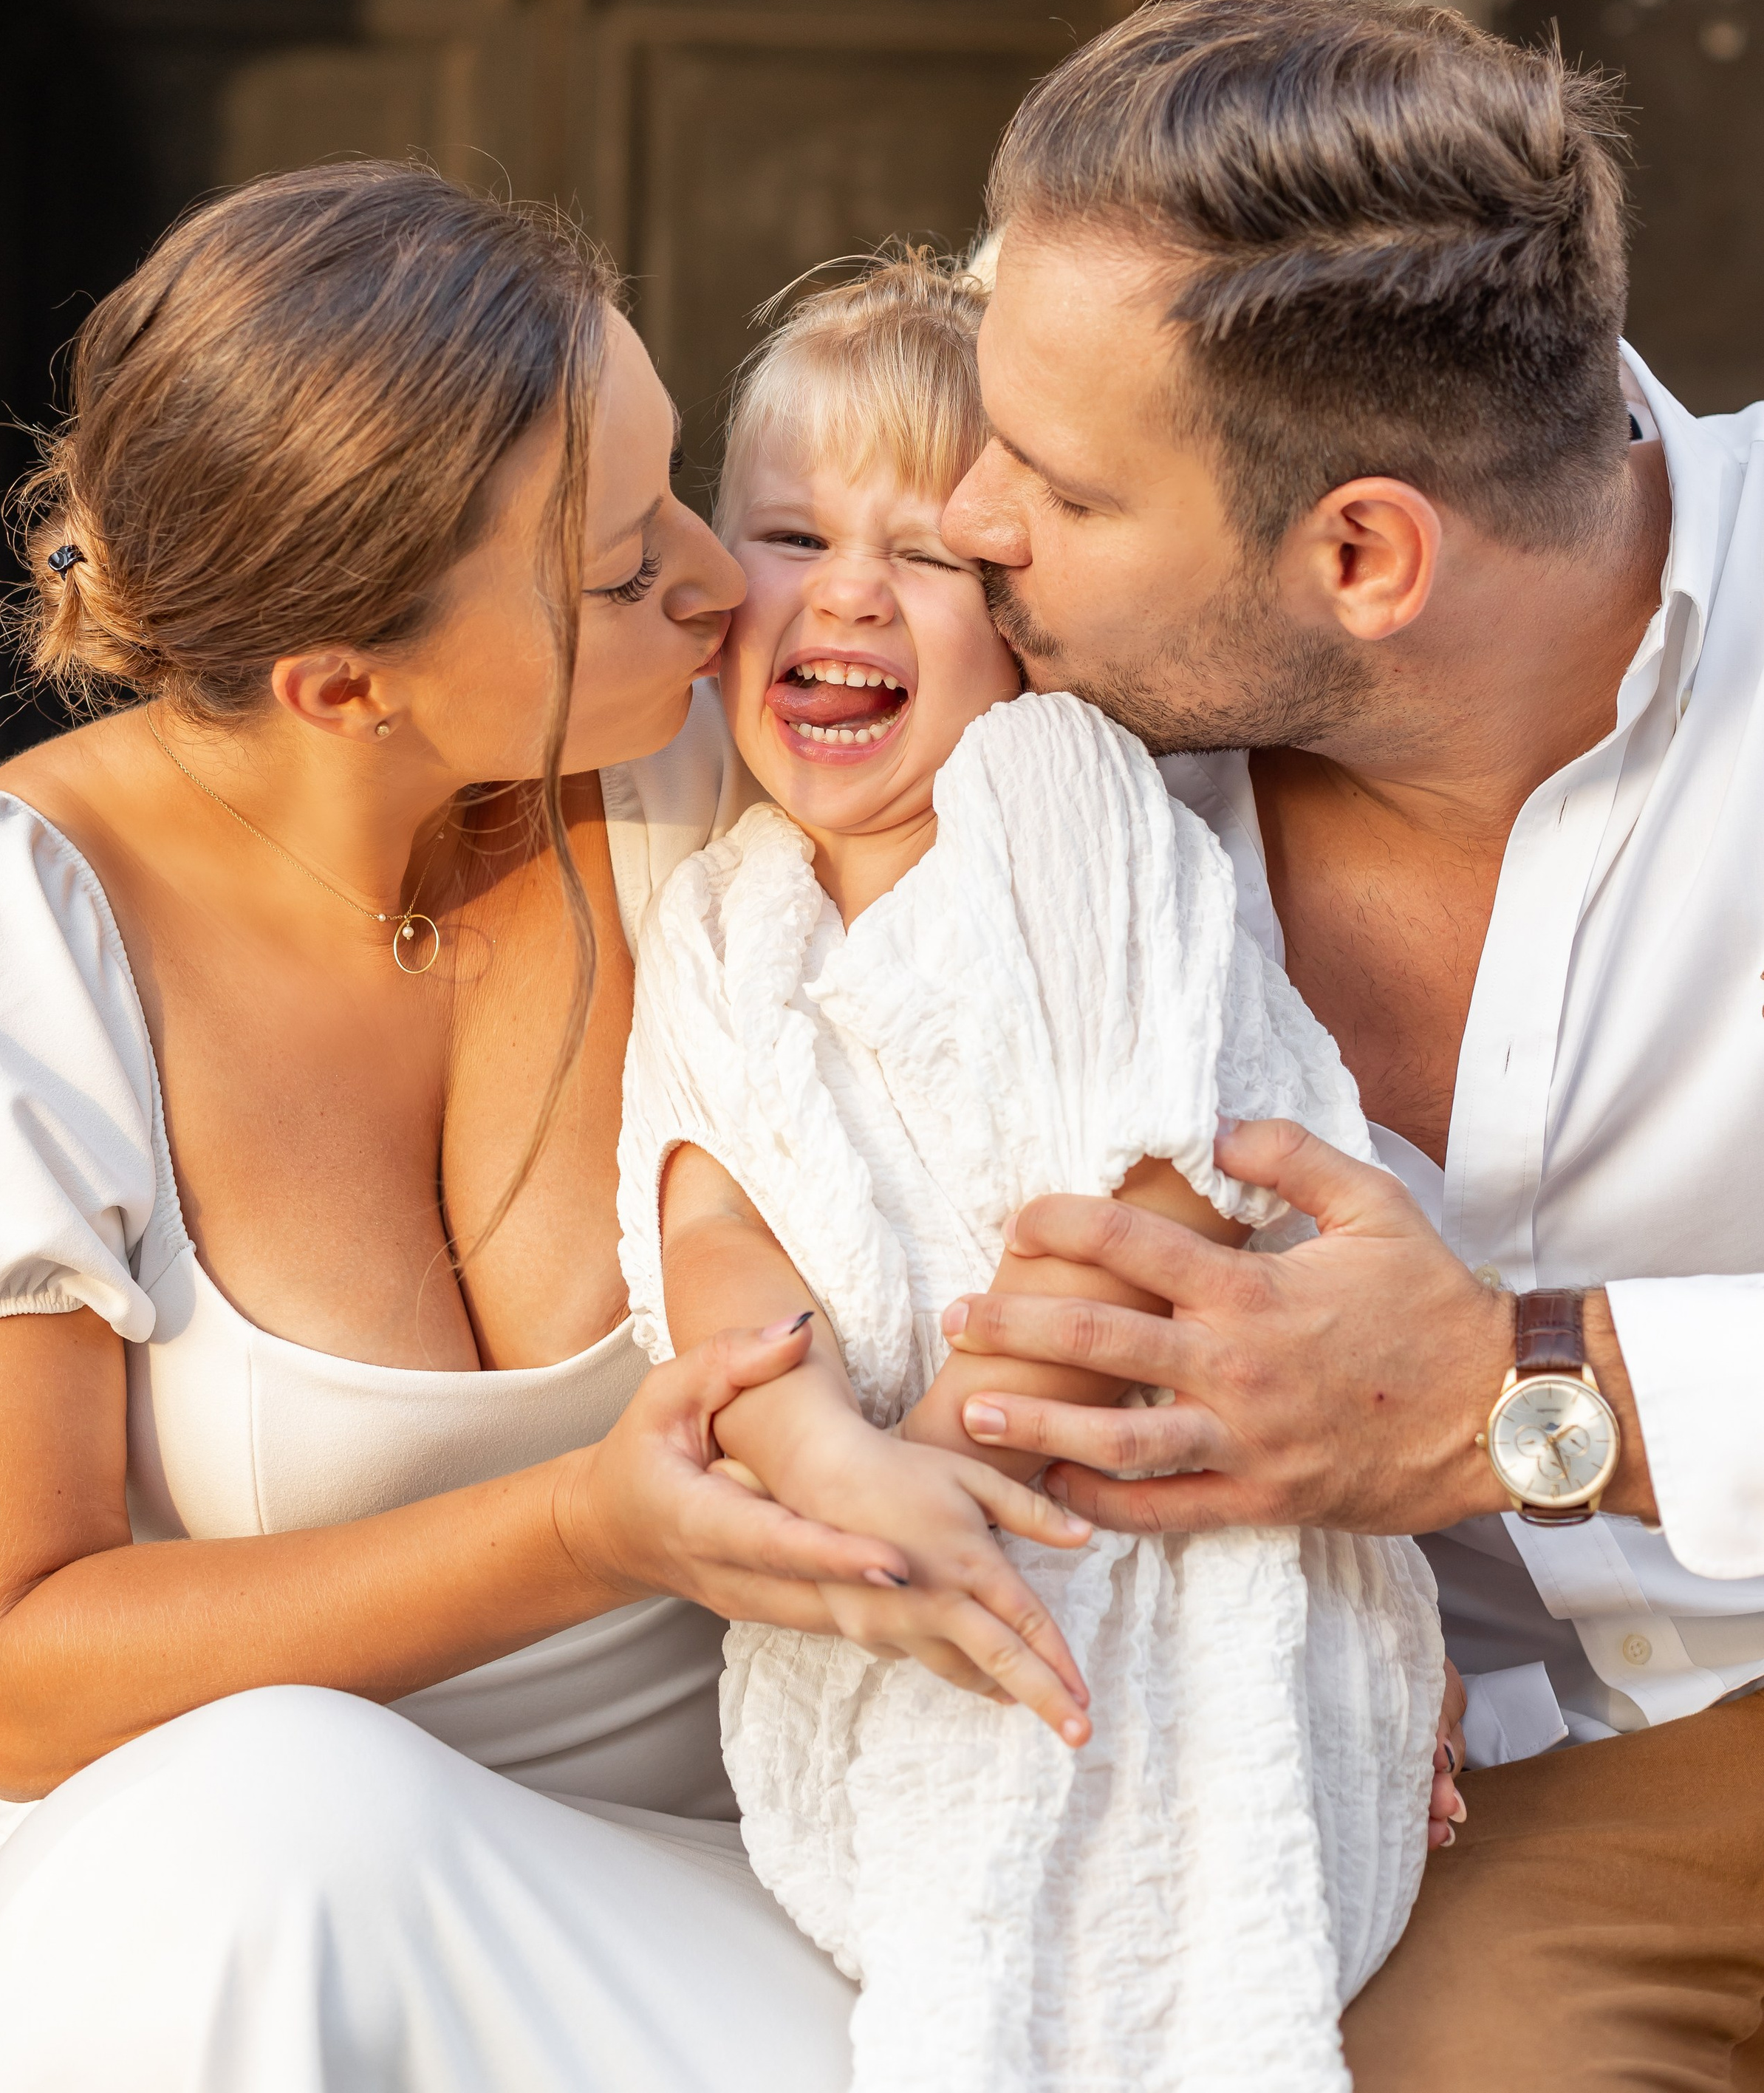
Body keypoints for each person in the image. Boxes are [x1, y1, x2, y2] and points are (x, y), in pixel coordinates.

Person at [0, 163, 922, 2092]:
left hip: (753, 1922)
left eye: (677, 483)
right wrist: (589, 1529)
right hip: (230, 1931)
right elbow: (15, 1680)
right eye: (620, 569)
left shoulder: (758, 758)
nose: (718, 579)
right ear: (345, 685)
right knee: (280, 1824)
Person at [931, 0, 1764, 2091]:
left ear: (1365, 555)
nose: (963, 517)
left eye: (1059, 485)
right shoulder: (1021, 748)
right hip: (1465, 1825)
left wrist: (1527, 1388)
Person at [618, 259, 1446, 2093]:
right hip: (883, 1574)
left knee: (1175, 1959)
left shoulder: (1050, 799)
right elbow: (705, 1215)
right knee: (957, 1967)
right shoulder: (719, 920)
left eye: (922, 559)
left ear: (1015, 631)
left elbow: (1156, 1189)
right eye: (786, 535)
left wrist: (949, 1469)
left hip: (1141, 1513)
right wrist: (819, 1455)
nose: (845, 590)